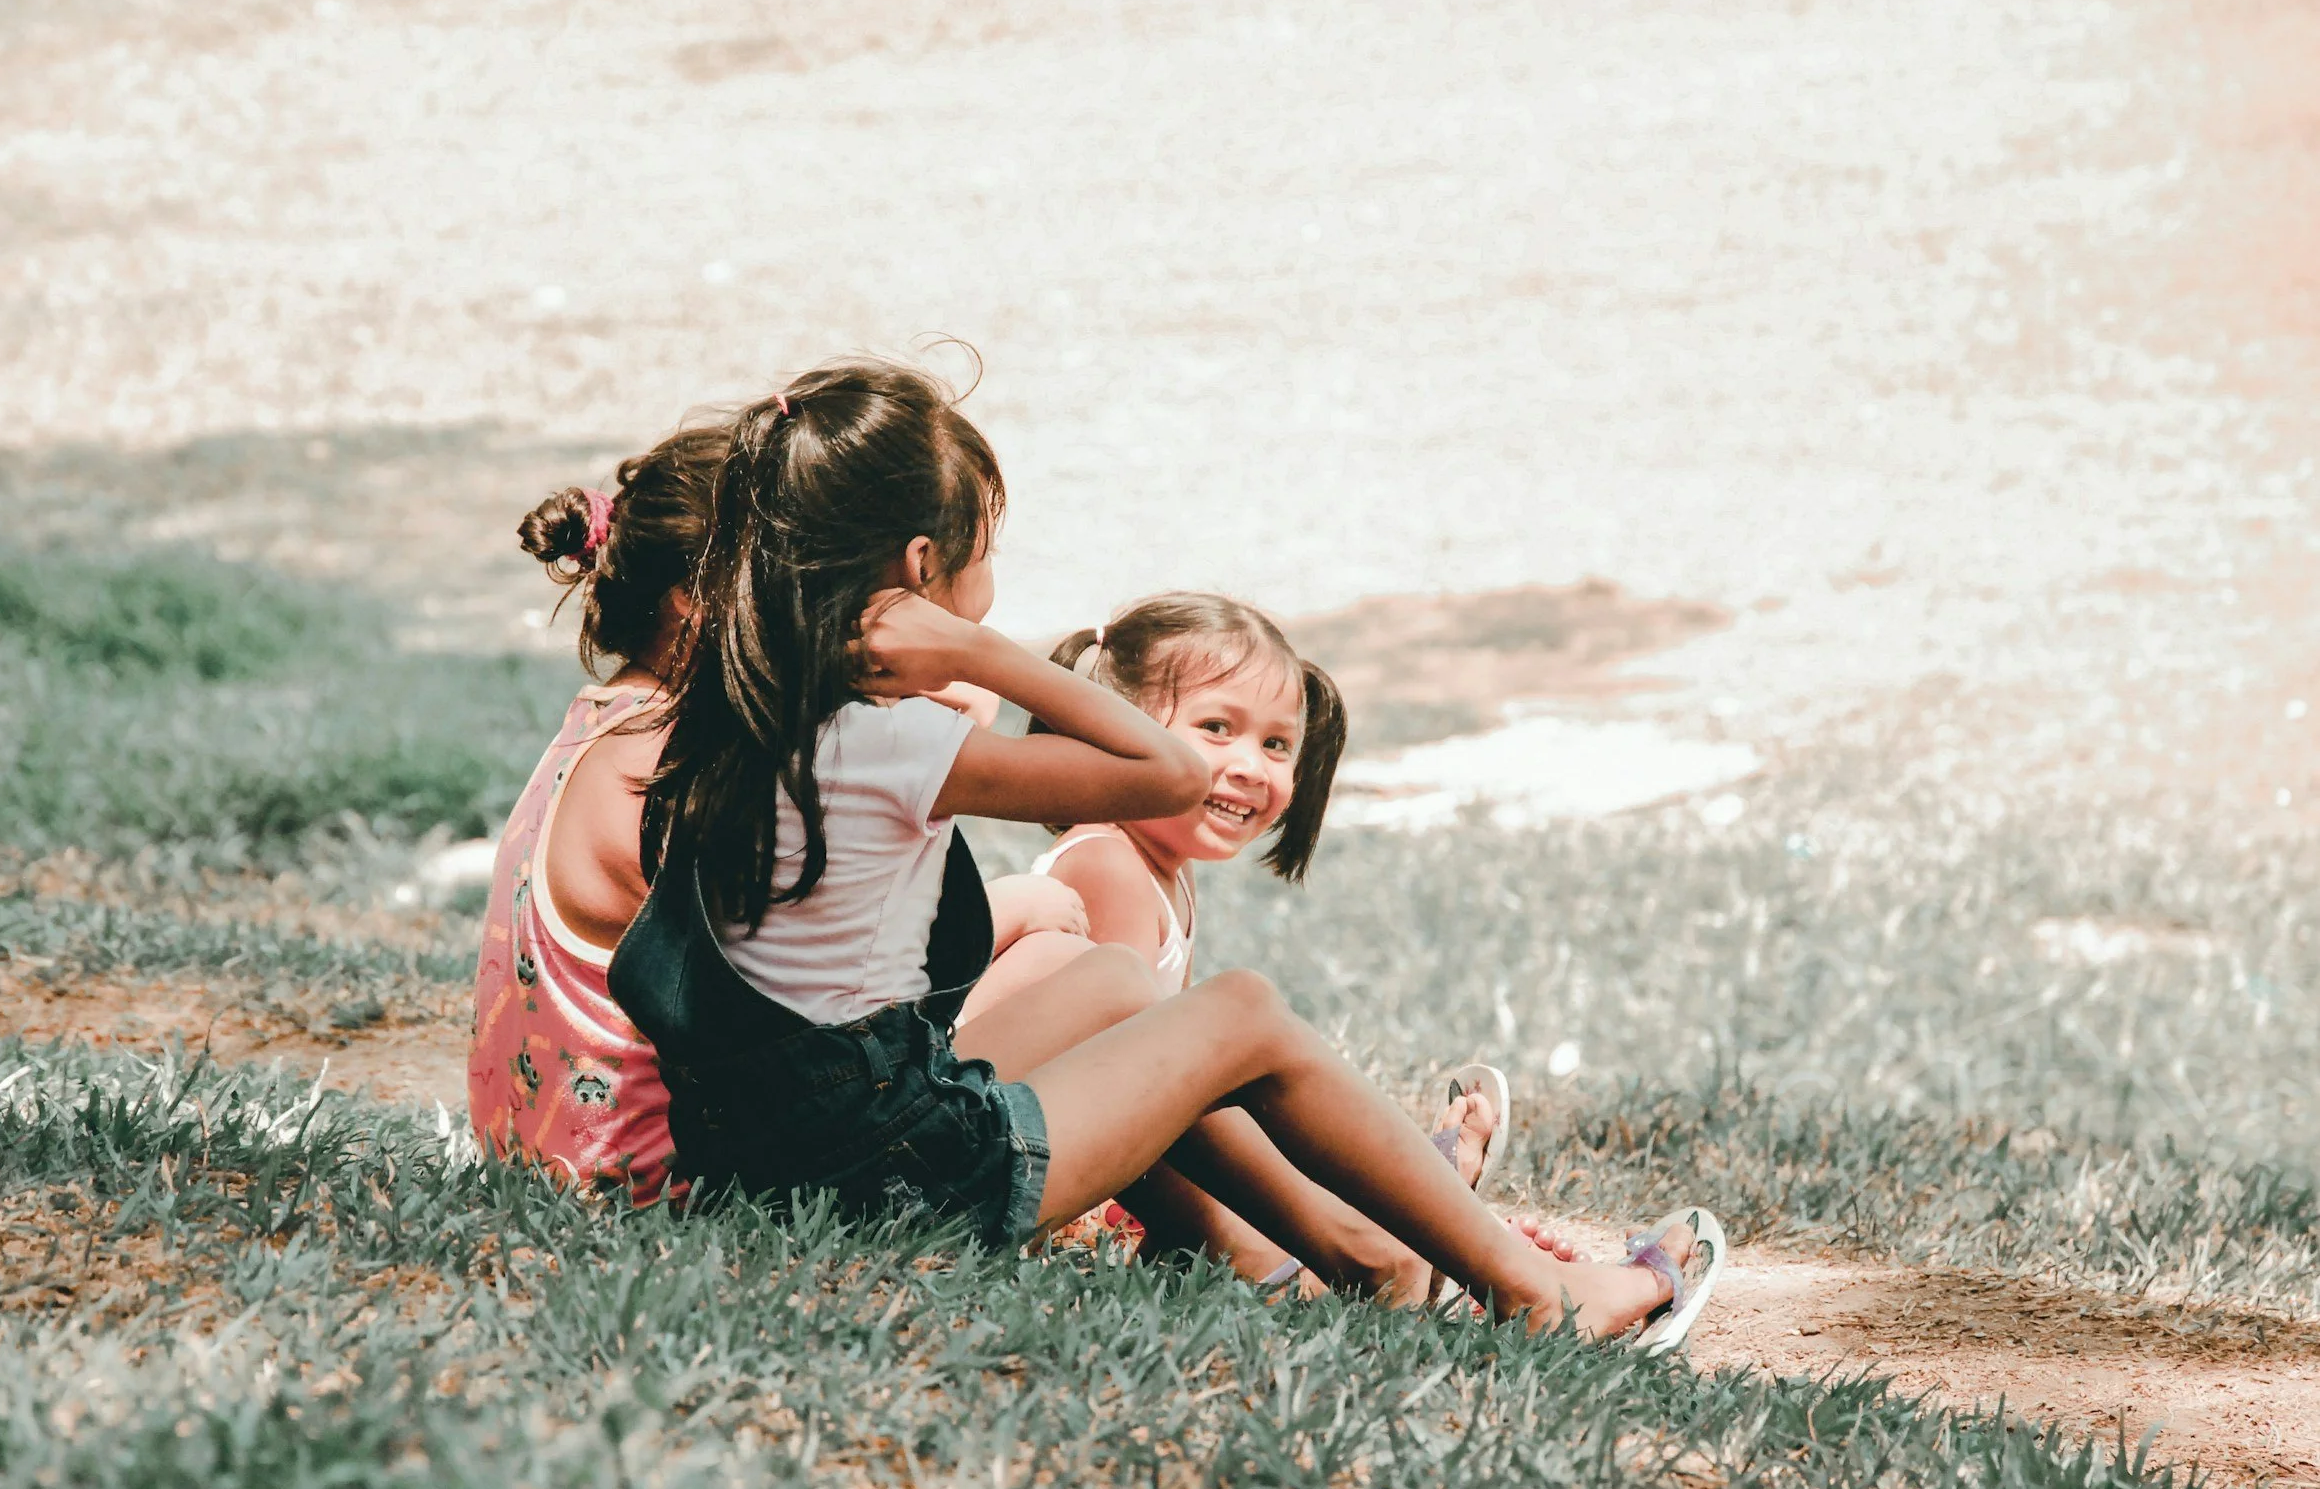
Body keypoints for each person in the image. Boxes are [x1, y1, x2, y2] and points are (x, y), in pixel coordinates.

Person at [611, 356, 1724, 1343]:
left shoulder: (735, 709)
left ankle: (1362, 1257)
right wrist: (978, 653)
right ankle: (1538, 1295)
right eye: (982, 560)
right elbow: (1168, 776)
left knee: (1108, 981)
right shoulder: (886, 740)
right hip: (888, 1181)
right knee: (1238, 1013)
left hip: (768, 1159)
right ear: (920, 569)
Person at [469, 424, 1105, 1202]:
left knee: (1072, 976)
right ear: (696, 604)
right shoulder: (679, 766)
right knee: (1070, 971)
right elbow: (827, 992)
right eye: (800, 593)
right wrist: (1011, 907)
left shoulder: (620, 721)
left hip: (562, 1160)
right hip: (667, 1188)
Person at [961, 594, 1576, 1305]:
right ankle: (1331, 1244)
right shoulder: (1107, 863)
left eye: (1276, 745)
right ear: (1113, 730)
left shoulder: (1166, 873)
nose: (1251, 766)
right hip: (1042, 1157)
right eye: (1216, 728)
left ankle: (1391, 1212)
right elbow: (1136, 1099)